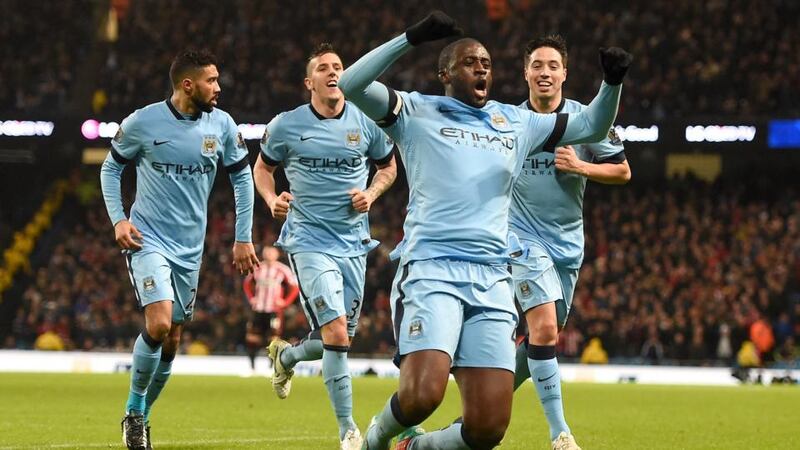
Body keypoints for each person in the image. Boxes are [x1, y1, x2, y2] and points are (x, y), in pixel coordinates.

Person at [338, 11, 631, 450]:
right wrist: (409, 38)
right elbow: (351, 85)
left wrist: (612, 83)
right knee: (422, 397)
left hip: (493, 277)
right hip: (432, 269)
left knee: (488, 428)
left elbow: (592, 125)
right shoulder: (416, 110)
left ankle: (415, 447)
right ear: (445, 73)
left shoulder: (514, 122)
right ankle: (374, 441)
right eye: (471, 61)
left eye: (487, 63)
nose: (481, 68)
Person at [100, 49, 259, 450]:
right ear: (188, 84)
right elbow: (110, 168)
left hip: (191, 248)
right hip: (147, 239)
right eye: (211, 81)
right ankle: (134, 415)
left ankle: (142, 415)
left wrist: (243, 237)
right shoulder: (142, 121)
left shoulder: (222, 125)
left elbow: (242, 180)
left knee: (171, 340)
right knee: (157, 324)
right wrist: (119, 218)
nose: (219, 88)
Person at [252, 43, 397, 449]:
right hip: (308, 240)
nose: (333, 73)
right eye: (323, 68)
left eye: (338, 67)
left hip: (353, 243)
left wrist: (372, 192)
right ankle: (348, 431)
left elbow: (388, 166)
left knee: (339, 339)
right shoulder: (285, 125)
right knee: (335, 332)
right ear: (308, 81)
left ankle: (287, 357)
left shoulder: (365, 122)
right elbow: (262, 168)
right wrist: (270, 199)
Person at [508, 34, 631, 450]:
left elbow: (622, 171)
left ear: (565, 73)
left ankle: (482, 406)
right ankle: (560, 434)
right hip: (520, 240)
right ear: (526, 72)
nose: (545, 72)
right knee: (542, 329)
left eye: (552, 66)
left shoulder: (585, 120)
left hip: (567, 247)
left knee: (543, 339)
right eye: (537, 65)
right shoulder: (508, 121)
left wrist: (580, 166)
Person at [242, 245, 299, 374]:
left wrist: (285, 302)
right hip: (258, 308)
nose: (268, 255)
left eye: (271, 253)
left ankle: (272, 367)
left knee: (273, 338)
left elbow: (295, 287)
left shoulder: (282, 269)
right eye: (266, 253)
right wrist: (252, 298)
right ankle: (252, 367)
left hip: (274, 310)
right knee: (252, 337)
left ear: (277, 255)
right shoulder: (257, 267)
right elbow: (247, 284)